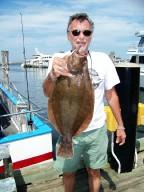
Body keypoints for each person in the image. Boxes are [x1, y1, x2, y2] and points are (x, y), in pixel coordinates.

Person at [43, 13, 126, 192]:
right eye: (76, 32)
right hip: (68, 131)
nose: (81, 37)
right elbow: (47, 92)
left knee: (94, 171)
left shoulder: (103, 59)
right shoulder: (58, 60)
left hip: (96, 130)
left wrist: (121, 125)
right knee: (68, 174)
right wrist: (53, 75)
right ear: (68, 34)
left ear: (91, 35)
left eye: (86, 32)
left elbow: (111, 95)